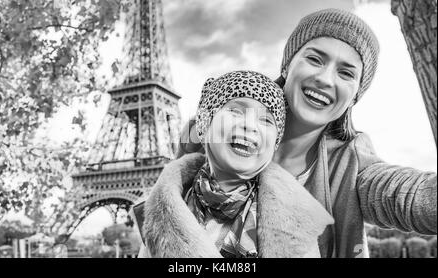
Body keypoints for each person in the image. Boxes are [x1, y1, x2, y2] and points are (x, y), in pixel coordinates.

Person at [176, 9, 437, 258]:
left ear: (355, 95)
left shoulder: (351, 161)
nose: (325, 79)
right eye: (315, 59)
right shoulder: (214, 130)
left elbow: (403, 194)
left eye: (346, 73)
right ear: (287, 66)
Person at [134, 70, 333, 258]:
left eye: (266, 120)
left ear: (274, 144)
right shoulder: (157, 215)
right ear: (205, 123)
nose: (251, 125)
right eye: (236, 111)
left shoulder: (297, 225)